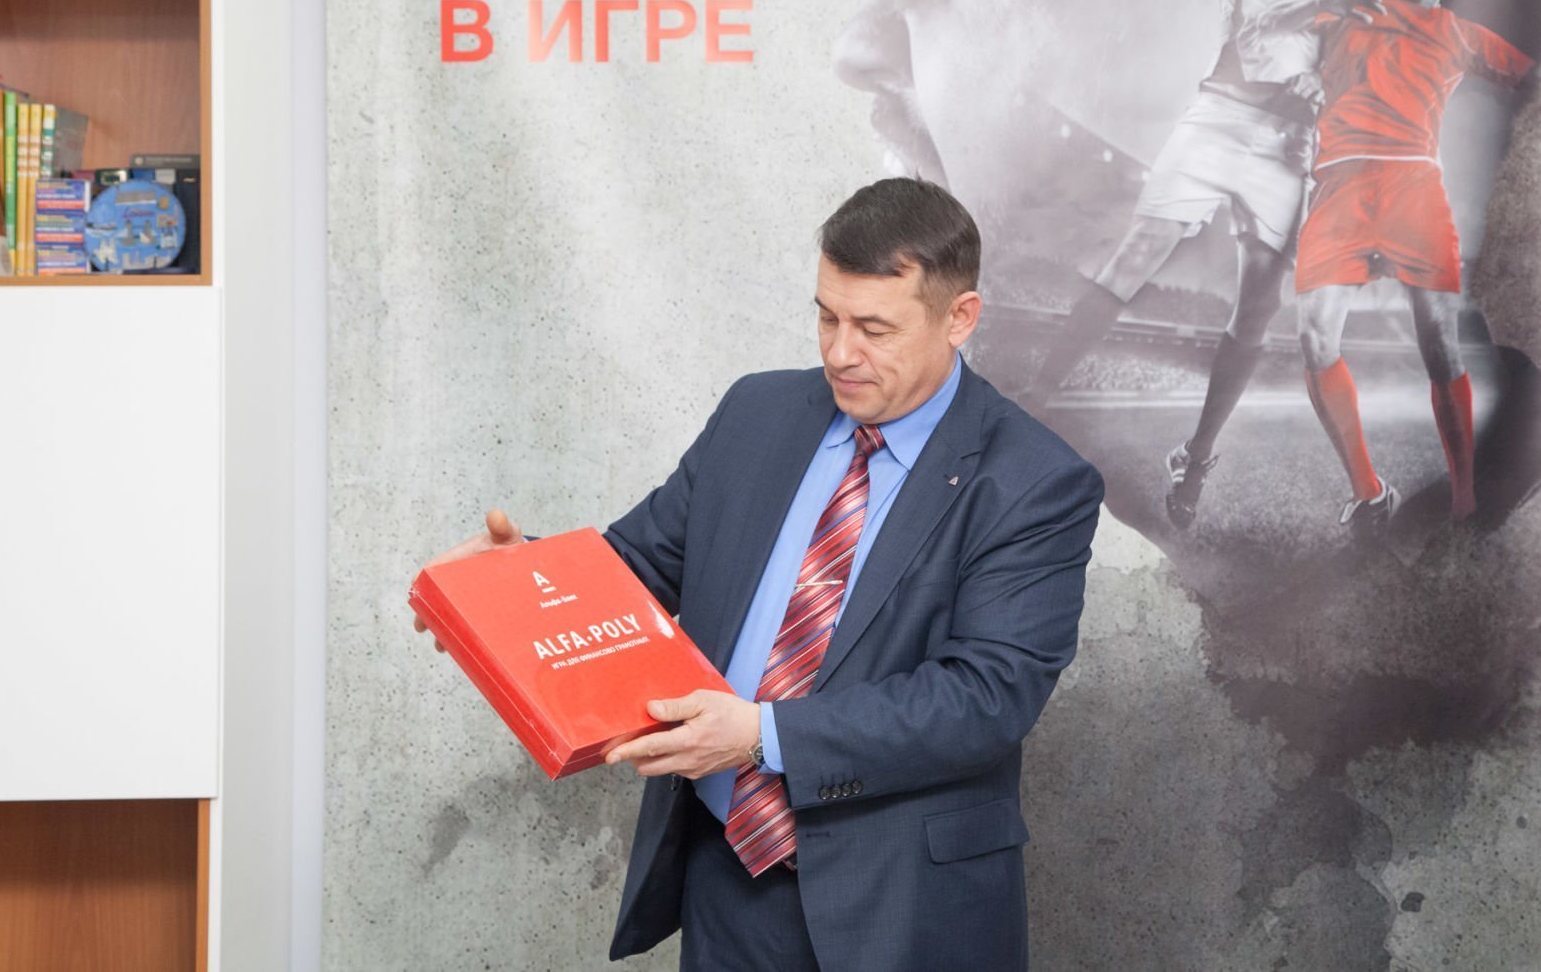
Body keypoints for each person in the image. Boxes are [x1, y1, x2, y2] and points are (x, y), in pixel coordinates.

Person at [422, 177, 1103, 970]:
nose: (839, 352)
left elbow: (985, 698)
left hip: (902, 906)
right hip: (725, 879)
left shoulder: (1033, 480)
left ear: (960, 317)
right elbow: (636, 569)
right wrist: (514, 588)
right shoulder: (756, 414)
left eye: (874, 328)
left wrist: (760, 736)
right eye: (827, 315)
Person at [1023, 0, 1348, 528]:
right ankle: (1035, 396)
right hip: (1220, 118)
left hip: (1288, 146)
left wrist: (1326, 90)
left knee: (1257, 308)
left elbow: (1353, 72)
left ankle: (1196, 456)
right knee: (1138, 252)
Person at [1251, 0, 1533, 530]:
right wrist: (1325, 3)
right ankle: (1371, 495)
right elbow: (1265, 24)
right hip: (1340, 184)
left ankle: (1465, 503)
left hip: (1413, 185)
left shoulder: (1455, 33)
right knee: (1314, 339)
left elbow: (1535, 78)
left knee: (1440, 345)